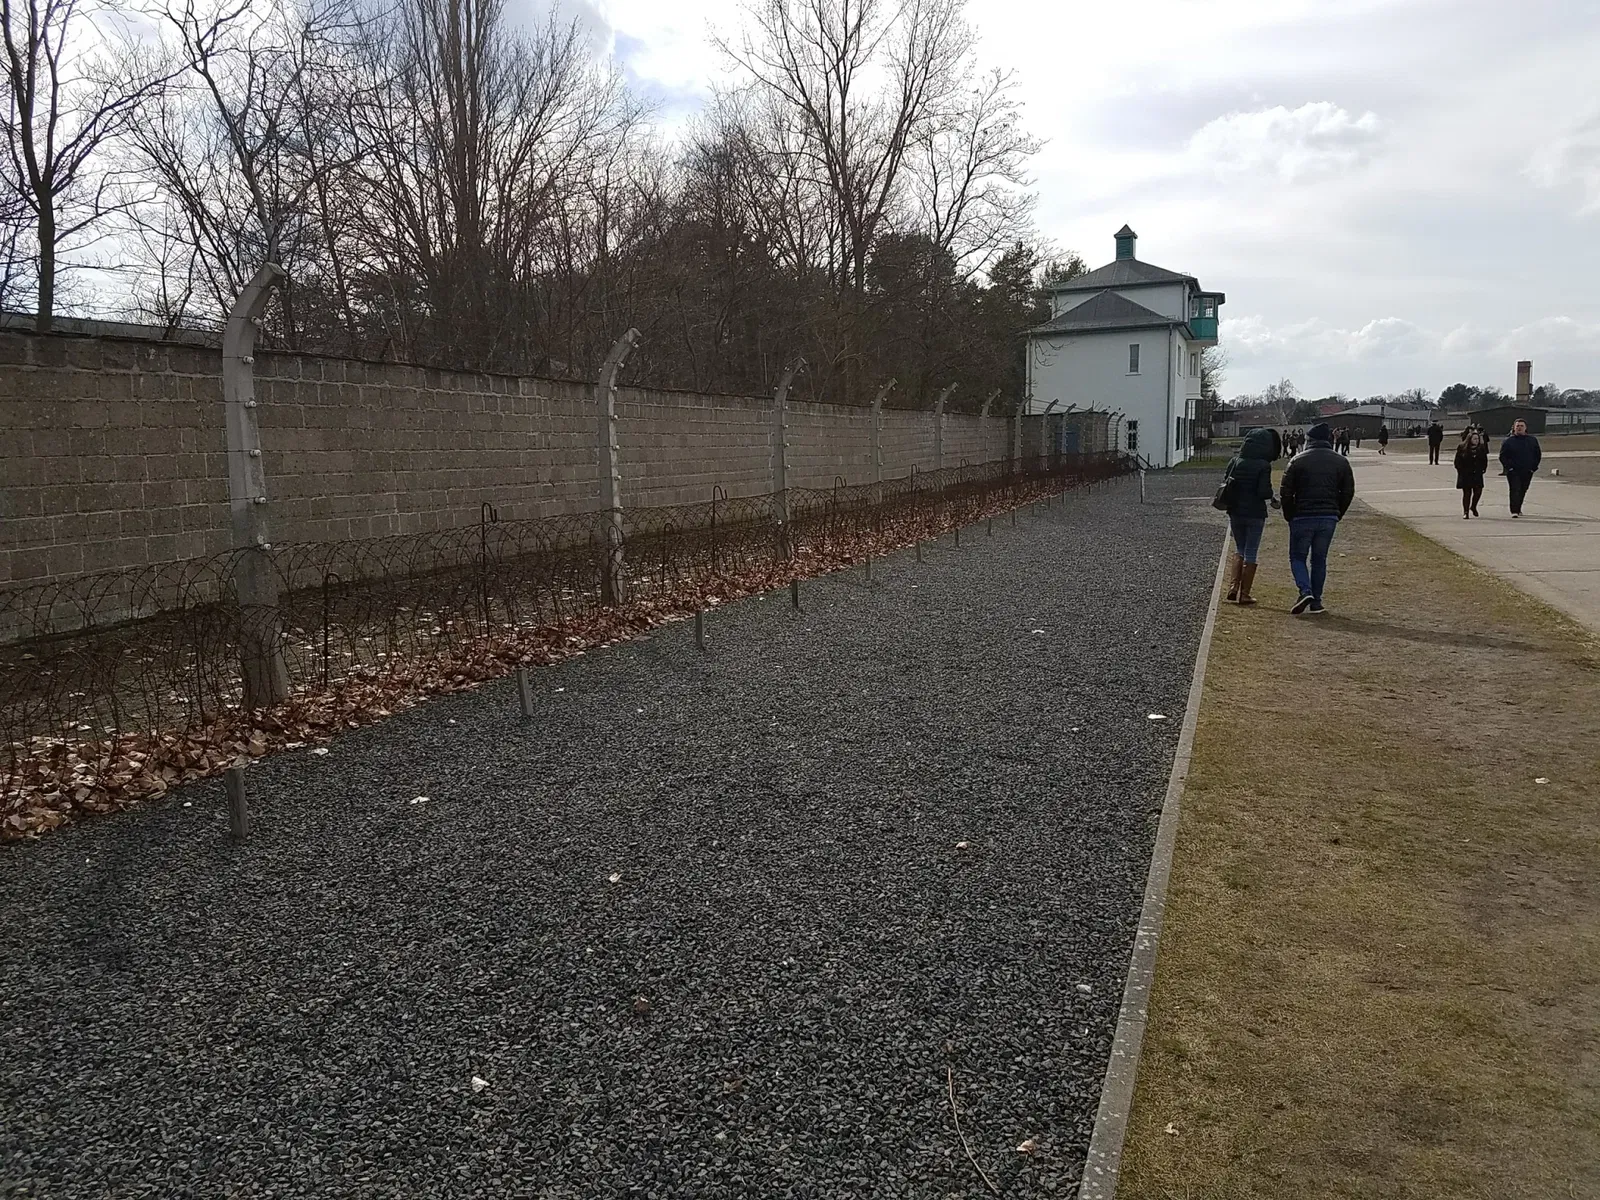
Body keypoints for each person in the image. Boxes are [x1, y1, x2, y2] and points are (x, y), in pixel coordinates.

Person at [1279, 422, 1356, 615]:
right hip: (1328, 516)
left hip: (1302, 515)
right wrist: (1338, 512)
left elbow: (1286, 492)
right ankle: (1317, 601)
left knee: (1297, 556)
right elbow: (1348, 491)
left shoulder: (1297, 460)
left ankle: (1305, 590)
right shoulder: (1340, 462)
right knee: (1319, 559)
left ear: (1309, 440)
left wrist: (1290, 514)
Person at [1222, 427, 1280, 605]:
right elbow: (1263, 492)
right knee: (1251, 551)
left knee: (1239, 547)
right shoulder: (1263, 465)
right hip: (1255, 512)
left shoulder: (1235, 461)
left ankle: (1233, 587)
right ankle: (1245, 593)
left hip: (1235, 510)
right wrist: (1272, 496)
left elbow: (1226, 481)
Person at [1498, 418, 1543, 518]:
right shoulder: (1508, 441)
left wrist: (1533, 467)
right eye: (1517, 426)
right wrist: (1508, 468)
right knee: (1515, 489)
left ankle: (1518, 508)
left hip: (1527, 470)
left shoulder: (1532, 440)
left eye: (1521, 426)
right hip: (1513, 471)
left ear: (1525, 428)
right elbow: (1502, 456)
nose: (1519, 428)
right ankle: (1514, 510)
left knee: (1523, 489)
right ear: (1514, 428)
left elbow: (1537, 455)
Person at [1454, 428, 1488, 518]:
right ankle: (1466, 512)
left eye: (1477, 439)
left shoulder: (1481, 448)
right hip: (1466, 474)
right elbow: (1457, 462)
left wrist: (1483, 469)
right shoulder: (1462, 448)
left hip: (1477, 473)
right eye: (1474, 439)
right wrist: (1461, 471)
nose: (1476, 441)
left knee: (1478, 492)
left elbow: (1484, 460)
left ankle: (1473, 506)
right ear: (1470, 439)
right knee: (1467, 493)